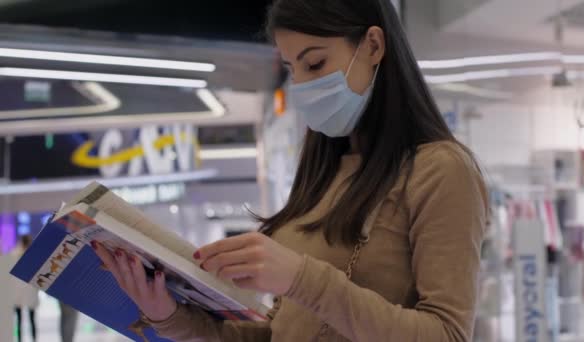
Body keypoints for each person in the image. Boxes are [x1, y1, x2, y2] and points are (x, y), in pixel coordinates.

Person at [93, 0, 488, 341]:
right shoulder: (323, 171)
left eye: (314, 63)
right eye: (291, 68)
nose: (301, 84)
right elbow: (283, 333)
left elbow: (448, 334)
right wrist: (169, 315)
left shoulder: (440, 171)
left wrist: (301, 278)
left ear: (372, 45)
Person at [11, 235, 39, 342]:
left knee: (21, 319)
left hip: (20, 292)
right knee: (29, 319)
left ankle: (21, 340)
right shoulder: (33, 255)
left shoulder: (15, 254)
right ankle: (31, 339)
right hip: (24, 291)